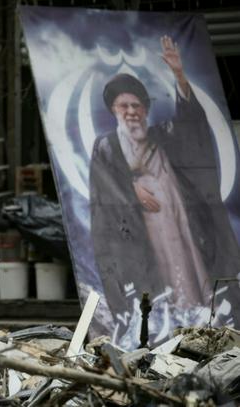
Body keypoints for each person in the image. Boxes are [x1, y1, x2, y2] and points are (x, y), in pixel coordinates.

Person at [90, 36, 240, 319]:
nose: (131, 112)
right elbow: (102, 190)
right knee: (155, 289)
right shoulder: (106, 146)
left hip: (177, 222)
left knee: (189, 273)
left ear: (145, 109)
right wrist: (132, 190)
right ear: (113, 110)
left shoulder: (162, 135)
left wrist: (179, 76)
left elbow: (190, 124)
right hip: (139, 231)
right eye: (124, 106)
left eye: (136, 105)